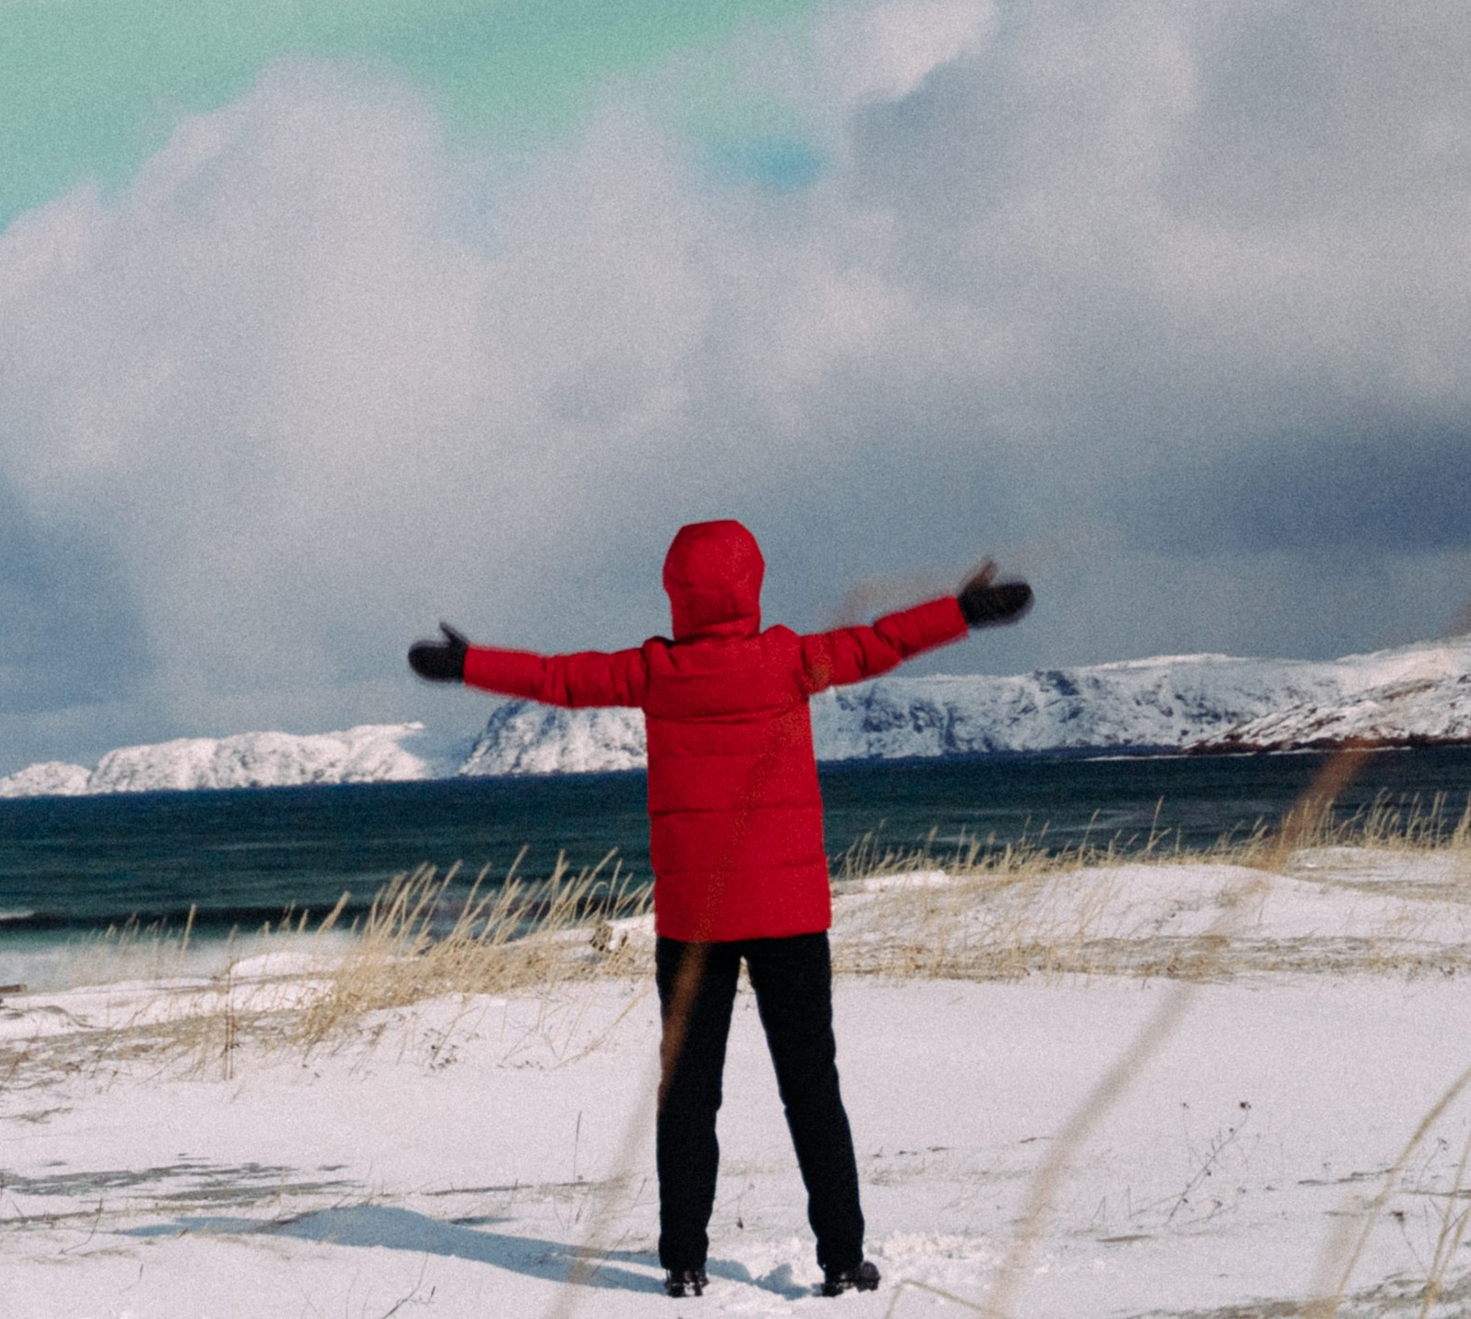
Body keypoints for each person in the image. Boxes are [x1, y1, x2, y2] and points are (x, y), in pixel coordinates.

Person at [408, 519, 1033, 1299]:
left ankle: (683, 1262)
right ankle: (842, 1259)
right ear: (753, 585)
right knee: (812, 1088)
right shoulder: (790, 659)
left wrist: (469, 664)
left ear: (676, 592)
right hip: (791, 916)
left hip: (693, 922)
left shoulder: (655, 672)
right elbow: (883, 643)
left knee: (688, 1095)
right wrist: (964, 611)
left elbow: (558, 679)